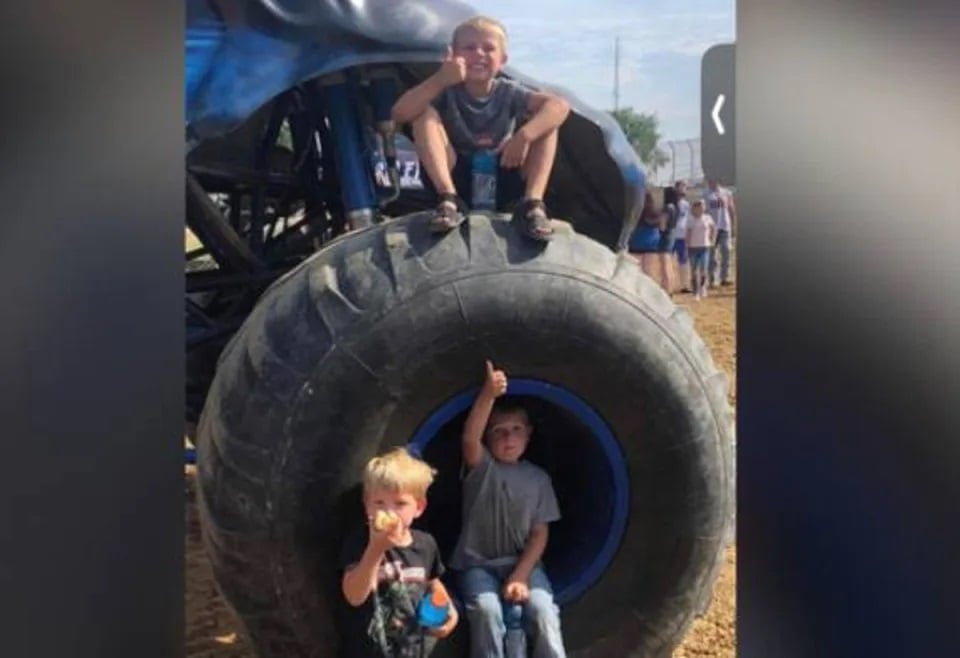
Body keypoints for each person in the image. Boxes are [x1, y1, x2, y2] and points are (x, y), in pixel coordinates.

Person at [391, 15, 571, 242]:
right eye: (469, 48)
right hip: (459, 175)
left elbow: (560, 106)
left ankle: (533, 205)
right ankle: (448, 200)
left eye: (488, 49)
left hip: (505, 168)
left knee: (546, 123)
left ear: (503, 60)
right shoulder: (447, 91)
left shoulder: (509, 91)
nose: (479, 54)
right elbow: (400, 113)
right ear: (453, 55)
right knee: (423, 114)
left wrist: (524, 136)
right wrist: (440, 79)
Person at [451, 360, 567, 658]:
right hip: (478, 564)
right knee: (487, 611)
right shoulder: (482, 471)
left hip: (524, 564)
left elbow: (540, 533)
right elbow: (469, 438)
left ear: (529, 434)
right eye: (499, 431)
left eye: (516, 430)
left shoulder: (539, 479)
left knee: (543, 610)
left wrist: (520, 574)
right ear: (488, 438)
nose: (508, 438)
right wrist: (489, 395)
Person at [340, 448, 459, 658]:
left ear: (419, 507)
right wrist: (376, 549)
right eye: (379, 503)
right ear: (366, 504)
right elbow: (354, 596)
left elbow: (432, 582)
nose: (389, 512)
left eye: (400, 504)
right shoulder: (360, 542)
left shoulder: (425, 544)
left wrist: (450, 611)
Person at [703, 177, 737, 286]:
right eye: (709, 181)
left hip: (724, 226)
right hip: (711, 228)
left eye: (713, 180)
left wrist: (733, 225)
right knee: (712, 254)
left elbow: (731, 209)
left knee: (726, 250)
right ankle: (712, 278)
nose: (711, 183)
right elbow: (703, 211)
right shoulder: (706, 194)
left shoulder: (726, 193)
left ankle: (725, 277)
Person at [686, 199, 716, 300]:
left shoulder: (707, 218)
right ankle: (695, 292)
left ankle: (703, 287)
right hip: (693, 247)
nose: (701, 209)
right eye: (699, 207)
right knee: (694, 271)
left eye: (702, 207)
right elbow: (688, 233)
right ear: (695, 208)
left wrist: (712, 239)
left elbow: (713, 228)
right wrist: (687, 244)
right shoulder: (690, 220)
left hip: (704, 246)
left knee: (704, 270)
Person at [629, 190, 663, 279]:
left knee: (635, 269)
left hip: (636, 242)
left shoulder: (636, 211)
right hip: (651, 243)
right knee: (648, 269)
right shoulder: (656, 213)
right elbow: (662, 227)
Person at [657, 186, 680, 293]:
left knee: (664, 265)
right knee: (669, 263)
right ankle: (670, 287)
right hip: (672, 234)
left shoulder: (667, 207)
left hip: (665, 236)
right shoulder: (676, 207)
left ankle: (665, 288)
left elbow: (662, 225)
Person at [671, 180, 693, 293]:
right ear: (676, 189)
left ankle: (684, 285)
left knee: (683, 261)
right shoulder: (670, 203)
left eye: (685, 187)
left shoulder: (686, 204)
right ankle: (668, 284)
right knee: (668, 260)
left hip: (682, 236)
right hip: (671, 236)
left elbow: (688, 221)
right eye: (682, 187)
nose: (684, 189)